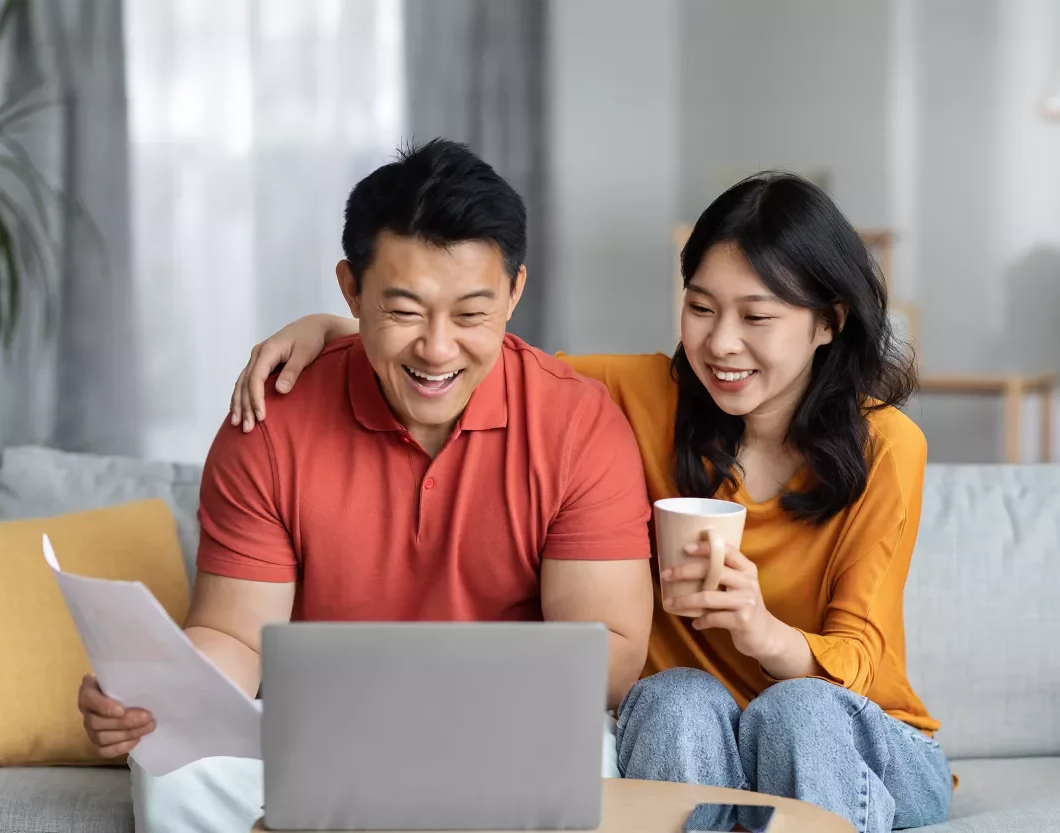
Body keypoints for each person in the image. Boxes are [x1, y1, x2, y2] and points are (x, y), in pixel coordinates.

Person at [229, 172, 954, 832]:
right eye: (701, 308)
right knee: (671, 695)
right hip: (702, 723)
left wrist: (758, 629)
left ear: (827, 320)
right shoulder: (637, 396)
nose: (722, 343)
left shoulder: (887, 445)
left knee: (796, 712)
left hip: (855, 732)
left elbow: (860, 655)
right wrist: (339, 332)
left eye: (756, 318)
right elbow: (470, 351)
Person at [75, 139, 655, 833]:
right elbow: (237, 636)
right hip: (319, 733)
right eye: (404, 311)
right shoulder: (272, 416)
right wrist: (160, 697)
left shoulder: (578, 424)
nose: (437, 350)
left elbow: (612, 655)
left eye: (471, 315)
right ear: (351, 290)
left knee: (592, 758)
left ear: (514, 293)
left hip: (501, 731)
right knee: (174, 771)